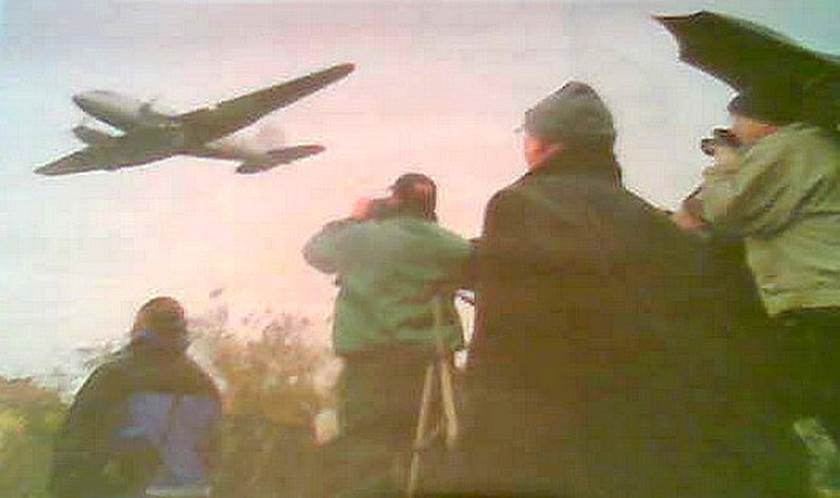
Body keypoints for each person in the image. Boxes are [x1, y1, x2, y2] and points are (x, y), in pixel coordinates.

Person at [441, 82, 809, 498]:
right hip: (637, 439)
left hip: (548, 436)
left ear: (543, 144)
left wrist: (477, 445)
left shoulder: (519, 204)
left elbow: (506, 339)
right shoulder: (648, 220)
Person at [303, 173, 471, 497]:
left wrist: (354, 217)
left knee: (365, 457)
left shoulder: (360, 238)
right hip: (430, 373)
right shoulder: (452, 246)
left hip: (369, 370)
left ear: (393, 200)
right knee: (429, 459)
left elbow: (314, 252)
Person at [701, 89, 840, 444]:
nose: (734, 127)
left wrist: (724, 167)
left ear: (761, 121)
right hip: (823, 303)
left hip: (817, 309)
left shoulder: (789, 148)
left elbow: (728, 212)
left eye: (738, 119)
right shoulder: (819, 146)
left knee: (752, 408)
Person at [49, 297, 222, 498]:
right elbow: (213, 451)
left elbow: (75, 448)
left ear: (138, 329)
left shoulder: (114, 376)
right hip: (195, 492)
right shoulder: (204, 383)